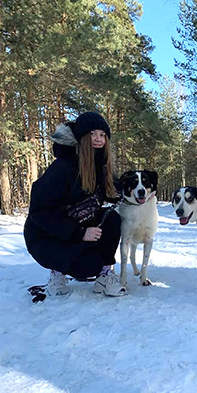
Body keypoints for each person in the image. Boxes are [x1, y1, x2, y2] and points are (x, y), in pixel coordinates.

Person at [24, 111, 125, 297]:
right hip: (46, 236)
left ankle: (104, 275)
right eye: (93, 134)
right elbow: (40, 211)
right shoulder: (63, 167)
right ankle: (57, 273)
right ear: (82, 137)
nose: (98, 139)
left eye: (103, 135)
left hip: (77, 228)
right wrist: (79, 233)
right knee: (84, 267)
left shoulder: (100, 166)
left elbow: (114, 192)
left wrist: (135, 185)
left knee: (112, 219)